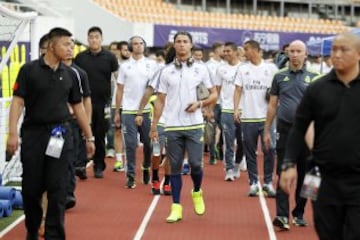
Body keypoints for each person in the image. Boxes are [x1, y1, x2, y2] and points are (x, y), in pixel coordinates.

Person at [6, 27, 95, 240]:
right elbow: (18, 102)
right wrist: (12, 134)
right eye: (66, 44)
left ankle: (55, 234)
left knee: (58, 187)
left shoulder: (71, 74)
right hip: (34, 135)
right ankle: (33, 230)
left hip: (60, 135)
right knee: (31, 187)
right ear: (52, 46)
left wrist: (89, 136)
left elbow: (79, 106)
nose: (70, 48)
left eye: (72, 45)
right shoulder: (29, 70)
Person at [280, 32, 360, 240]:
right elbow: (299, 127)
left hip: (356, 179)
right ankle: (296, 213)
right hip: (318, 175)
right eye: (334, 49)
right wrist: (288, 164)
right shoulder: (316, 88)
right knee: (325, 232)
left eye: (344, 49)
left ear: (359, 54)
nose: (337, 54)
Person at [150, 31, 217, 223]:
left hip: (195, 124)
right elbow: (160, 101)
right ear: (174, 45)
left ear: (191, 45)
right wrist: (155, 126)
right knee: (175, 167)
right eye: (178, 42)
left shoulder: (201, 69)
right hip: (172, 126)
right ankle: (176, 206)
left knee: (196, 164)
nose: (181, 45)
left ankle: (197, 191)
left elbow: (213, 95)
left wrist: (200, 104)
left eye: (185, 42)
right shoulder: (166, 71)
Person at [263, 40, 319, 230]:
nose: (294, 54)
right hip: (285, 131)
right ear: (287, 54)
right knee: (282, 172)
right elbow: (272, 105)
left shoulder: (316, 78)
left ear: (305, 54)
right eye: (291, 51)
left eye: (298, 51)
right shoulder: (279, 76)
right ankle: (282, 215)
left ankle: (299, 212)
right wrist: (266, 130)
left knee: (308, 176)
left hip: (308, 133)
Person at [233, 40, 278, 197]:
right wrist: (236, 109)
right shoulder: (243, 69)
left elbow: (277, 89)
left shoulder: (271, 68)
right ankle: (253, 182)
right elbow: (238, 90)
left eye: (247, 49)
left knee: (269, 150)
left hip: (267, 118)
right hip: (249, 117)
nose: (244, 52)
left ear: (256, 50)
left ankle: (267, 182)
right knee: (250, 151)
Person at [115, 35, 159, 188]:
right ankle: (131, 175)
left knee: (148, 144)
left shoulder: (152, 65)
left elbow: (156, 88)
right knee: (131, 144)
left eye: (141, 43)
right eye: (135, 44)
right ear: (130, 47)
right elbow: (119, 89)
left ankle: (146, 166)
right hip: (128, 110)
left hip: (147, 110)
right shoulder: (124, 66)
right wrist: (117, 111)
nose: (139, 46)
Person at [75, 26, 119, 178]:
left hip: (102, 103)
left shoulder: (110, 57)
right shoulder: (80, 58)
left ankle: (98, 165)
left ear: (101, 39)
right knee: (83, 133)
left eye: (96, 37)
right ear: (87, 39)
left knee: (100, 135)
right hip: (82, 103)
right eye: (91, 37)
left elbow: (118, 78)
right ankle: (80, 164)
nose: (94, 40)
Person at [215, 42, 244, 181]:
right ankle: (229, 169)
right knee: (228, 140)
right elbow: (217, 89)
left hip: (244, 110)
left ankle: (237, 164)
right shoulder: (221, 69)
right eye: (224, 51)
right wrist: (212, 107)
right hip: (226, 109)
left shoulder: (244, 68)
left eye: (228, 51)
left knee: (243, 141)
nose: (225, 53)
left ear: (236, 52)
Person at [109, 41, 130, 172]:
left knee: (130, 134)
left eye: (128, 50)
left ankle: (130, 160)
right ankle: (118, 160)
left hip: (132, 104)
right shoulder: (115, 65)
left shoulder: (135, 65)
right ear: (118, 51)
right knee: (117, 130)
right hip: (117, 102)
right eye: (124, 50)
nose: (126, 52)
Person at [205, 41, 224, 165]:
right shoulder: (208, 65)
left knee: (225, 129)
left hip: (225, 103)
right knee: (211, 130)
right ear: (217, 50)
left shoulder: (225, 65)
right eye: (223, 49)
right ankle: (212, 154)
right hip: (213, 103)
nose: (225, 51)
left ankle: (220, 148)